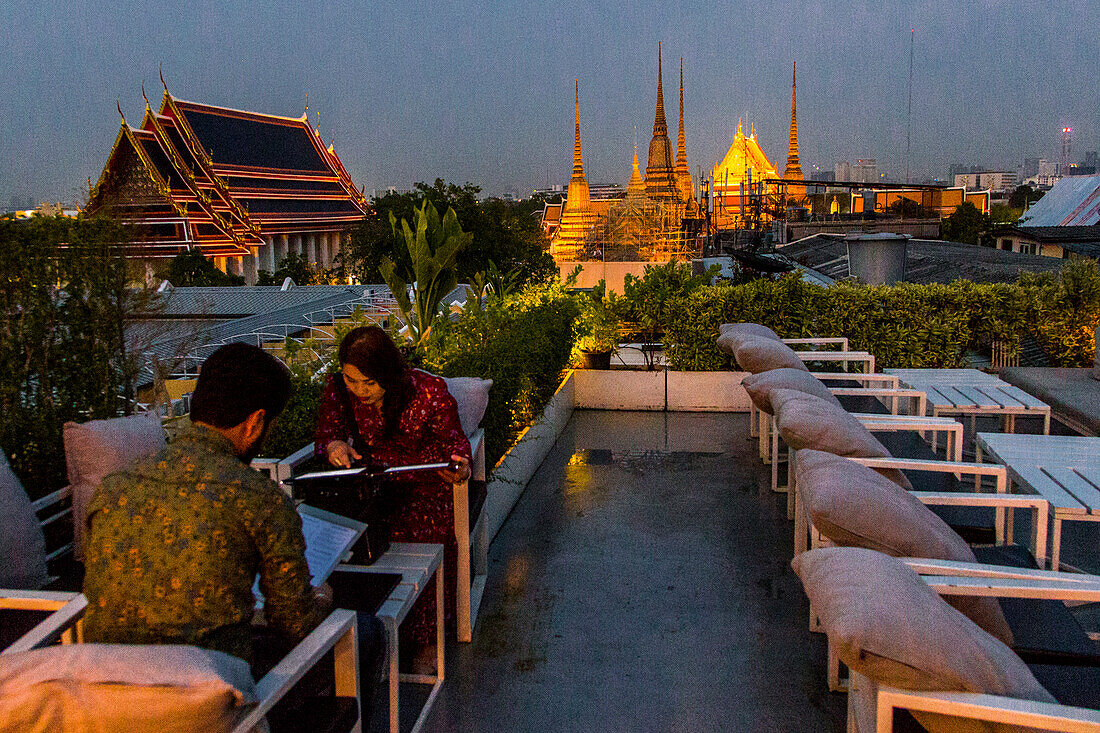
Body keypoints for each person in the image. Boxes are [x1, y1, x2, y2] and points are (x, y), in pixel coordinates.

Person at [82, 343, 386, 715]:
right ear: (255, 422)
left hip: (107, 694)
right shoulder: (258, 497)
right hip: (205, 698)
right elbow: (295, 623)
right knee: (367, 631)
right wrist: (320, 597)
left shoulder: (115, 486)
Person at [315, 325, 471, 668]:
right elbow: (328, 433)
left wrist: (459, 468)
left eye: (369, 383)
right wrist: (335, 446)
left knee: (423, 528)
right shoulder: (338, 390)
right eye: (352, 380)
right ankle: (363, 634)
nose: (359, 391)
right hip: (372, 487)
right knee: (339, 535)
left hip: (423, 486)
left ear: (388, 372)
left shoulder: (427, 392)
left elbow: (456, 446)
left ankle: (424, 639)